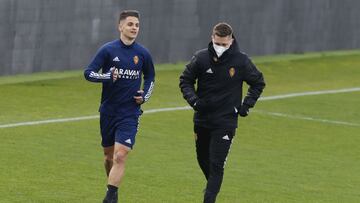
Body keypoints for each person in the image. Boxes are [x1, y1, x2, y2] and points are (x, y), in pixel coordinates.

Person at [179, 22, 265, 203]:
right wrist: (194, 101)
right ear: (212, 38)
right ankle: (211, 187)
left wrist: (246, 105)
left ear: (231, 41)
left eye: (224, 45)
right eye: (217, 43)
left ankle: (209, 198)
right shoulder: (201, 58)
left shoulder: (241, 61)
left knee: (217, 164)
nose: (220, 48)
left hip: (226, 121)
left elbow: (258, 82)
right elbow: (185, 80)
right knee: (203, 160)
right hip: (202, 119)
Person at [84, 10, 155, 203]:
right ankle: (111, 184)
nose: (134, 28)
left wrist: (144, 96)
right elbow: (88, 73)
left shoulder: (143, 54)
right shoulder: (108, 50)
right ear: (120, 26)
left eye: (137, 25)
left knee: (121, 155)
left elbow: (150, 77)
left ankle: (111, 196)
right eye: (130, 24)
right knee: (109, 157)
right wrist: (107, 77)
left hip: (130, 113)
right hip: (108, 111)